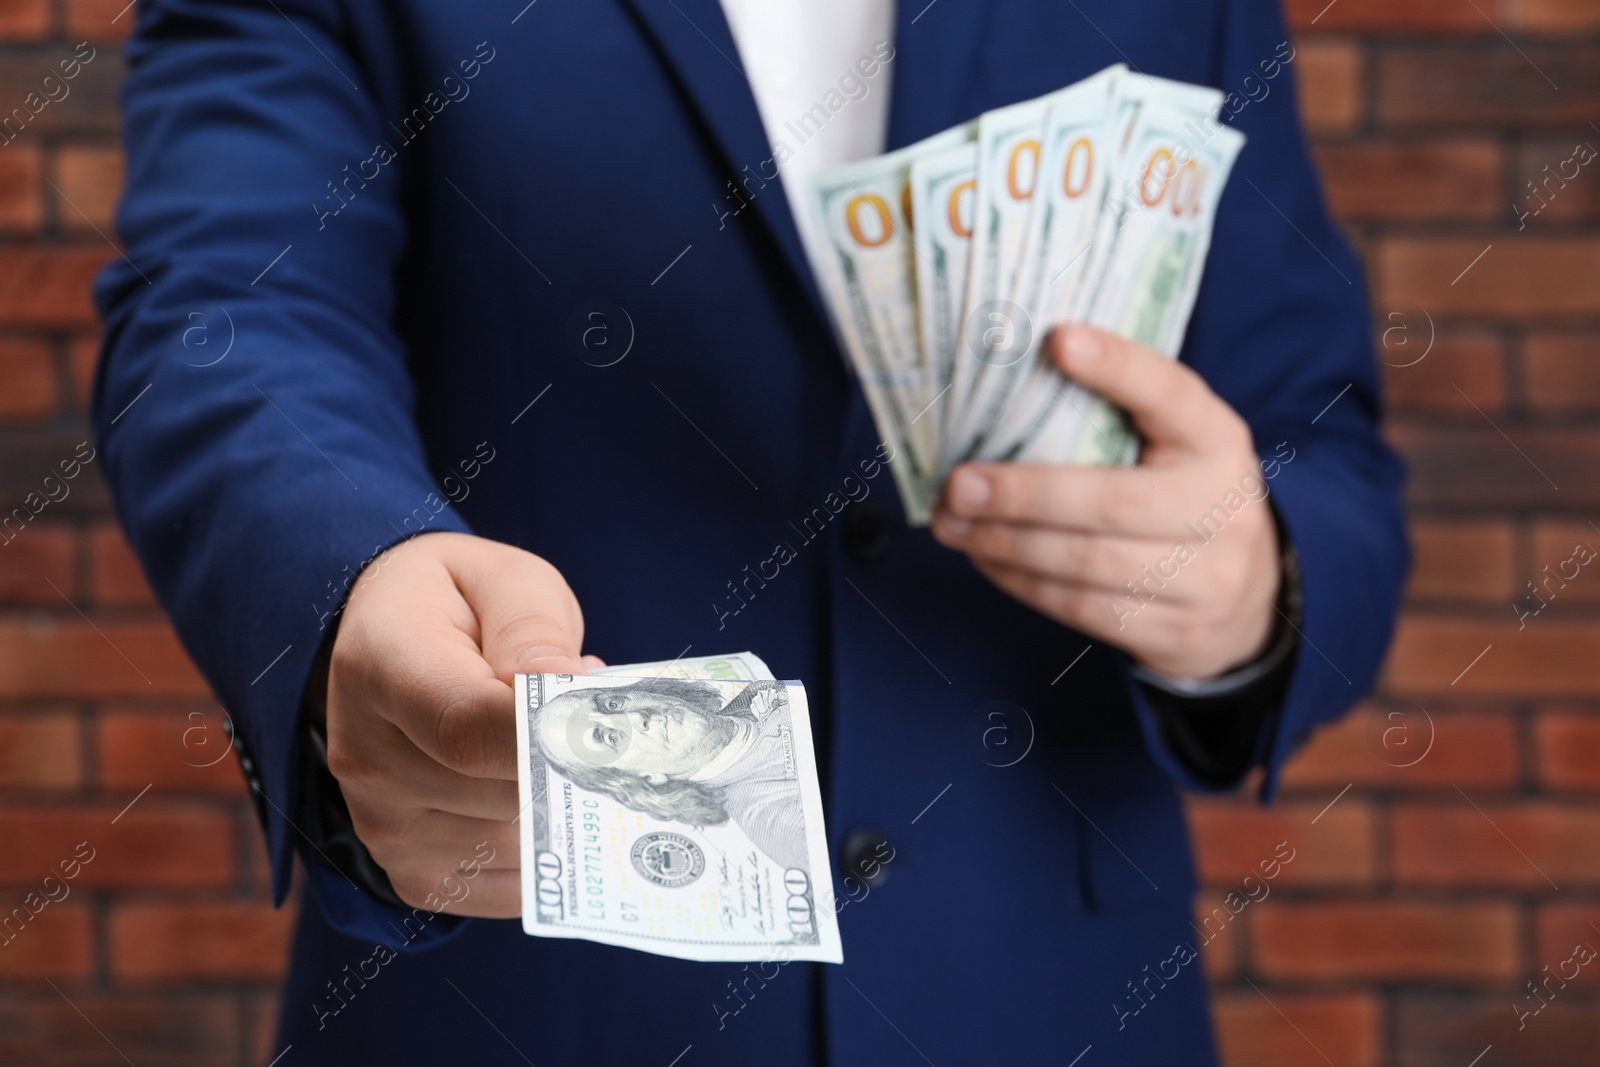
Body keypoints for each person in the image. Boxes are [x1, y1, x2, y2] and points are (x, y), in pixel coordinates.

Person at [92, 0, 1407, 1062]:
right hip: (525, 998)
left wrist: (1254, 582)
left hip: (1049, 996)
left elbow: (1318, 430)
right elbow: (228, 307)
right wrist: (354, 573)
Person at [534, 678, 809, 869]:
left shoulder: (757, 695)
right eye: (610, 738)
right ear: (645, 778)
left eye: (612, 705)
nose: (636, 717)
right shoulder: (773, 818)